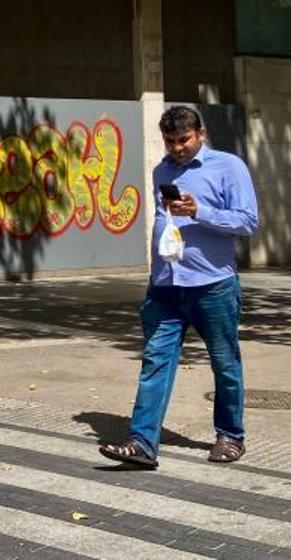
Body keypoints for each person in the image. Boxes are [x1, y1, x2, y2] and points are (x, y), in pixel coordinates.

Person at [100, 106, 259, 469]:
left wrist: (200, 211)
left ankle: (231, 436)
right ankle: (142, 442)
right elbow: (161, 220)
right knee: (155, 360)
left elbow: (248, 221)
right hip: (166, 285)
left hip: (213, 284)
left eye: (183, 140)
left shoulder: (228, 166)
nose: (177, 148)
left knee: (224, 362)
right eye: (170, 141)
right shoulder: (162, 171)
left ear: (200, 133)